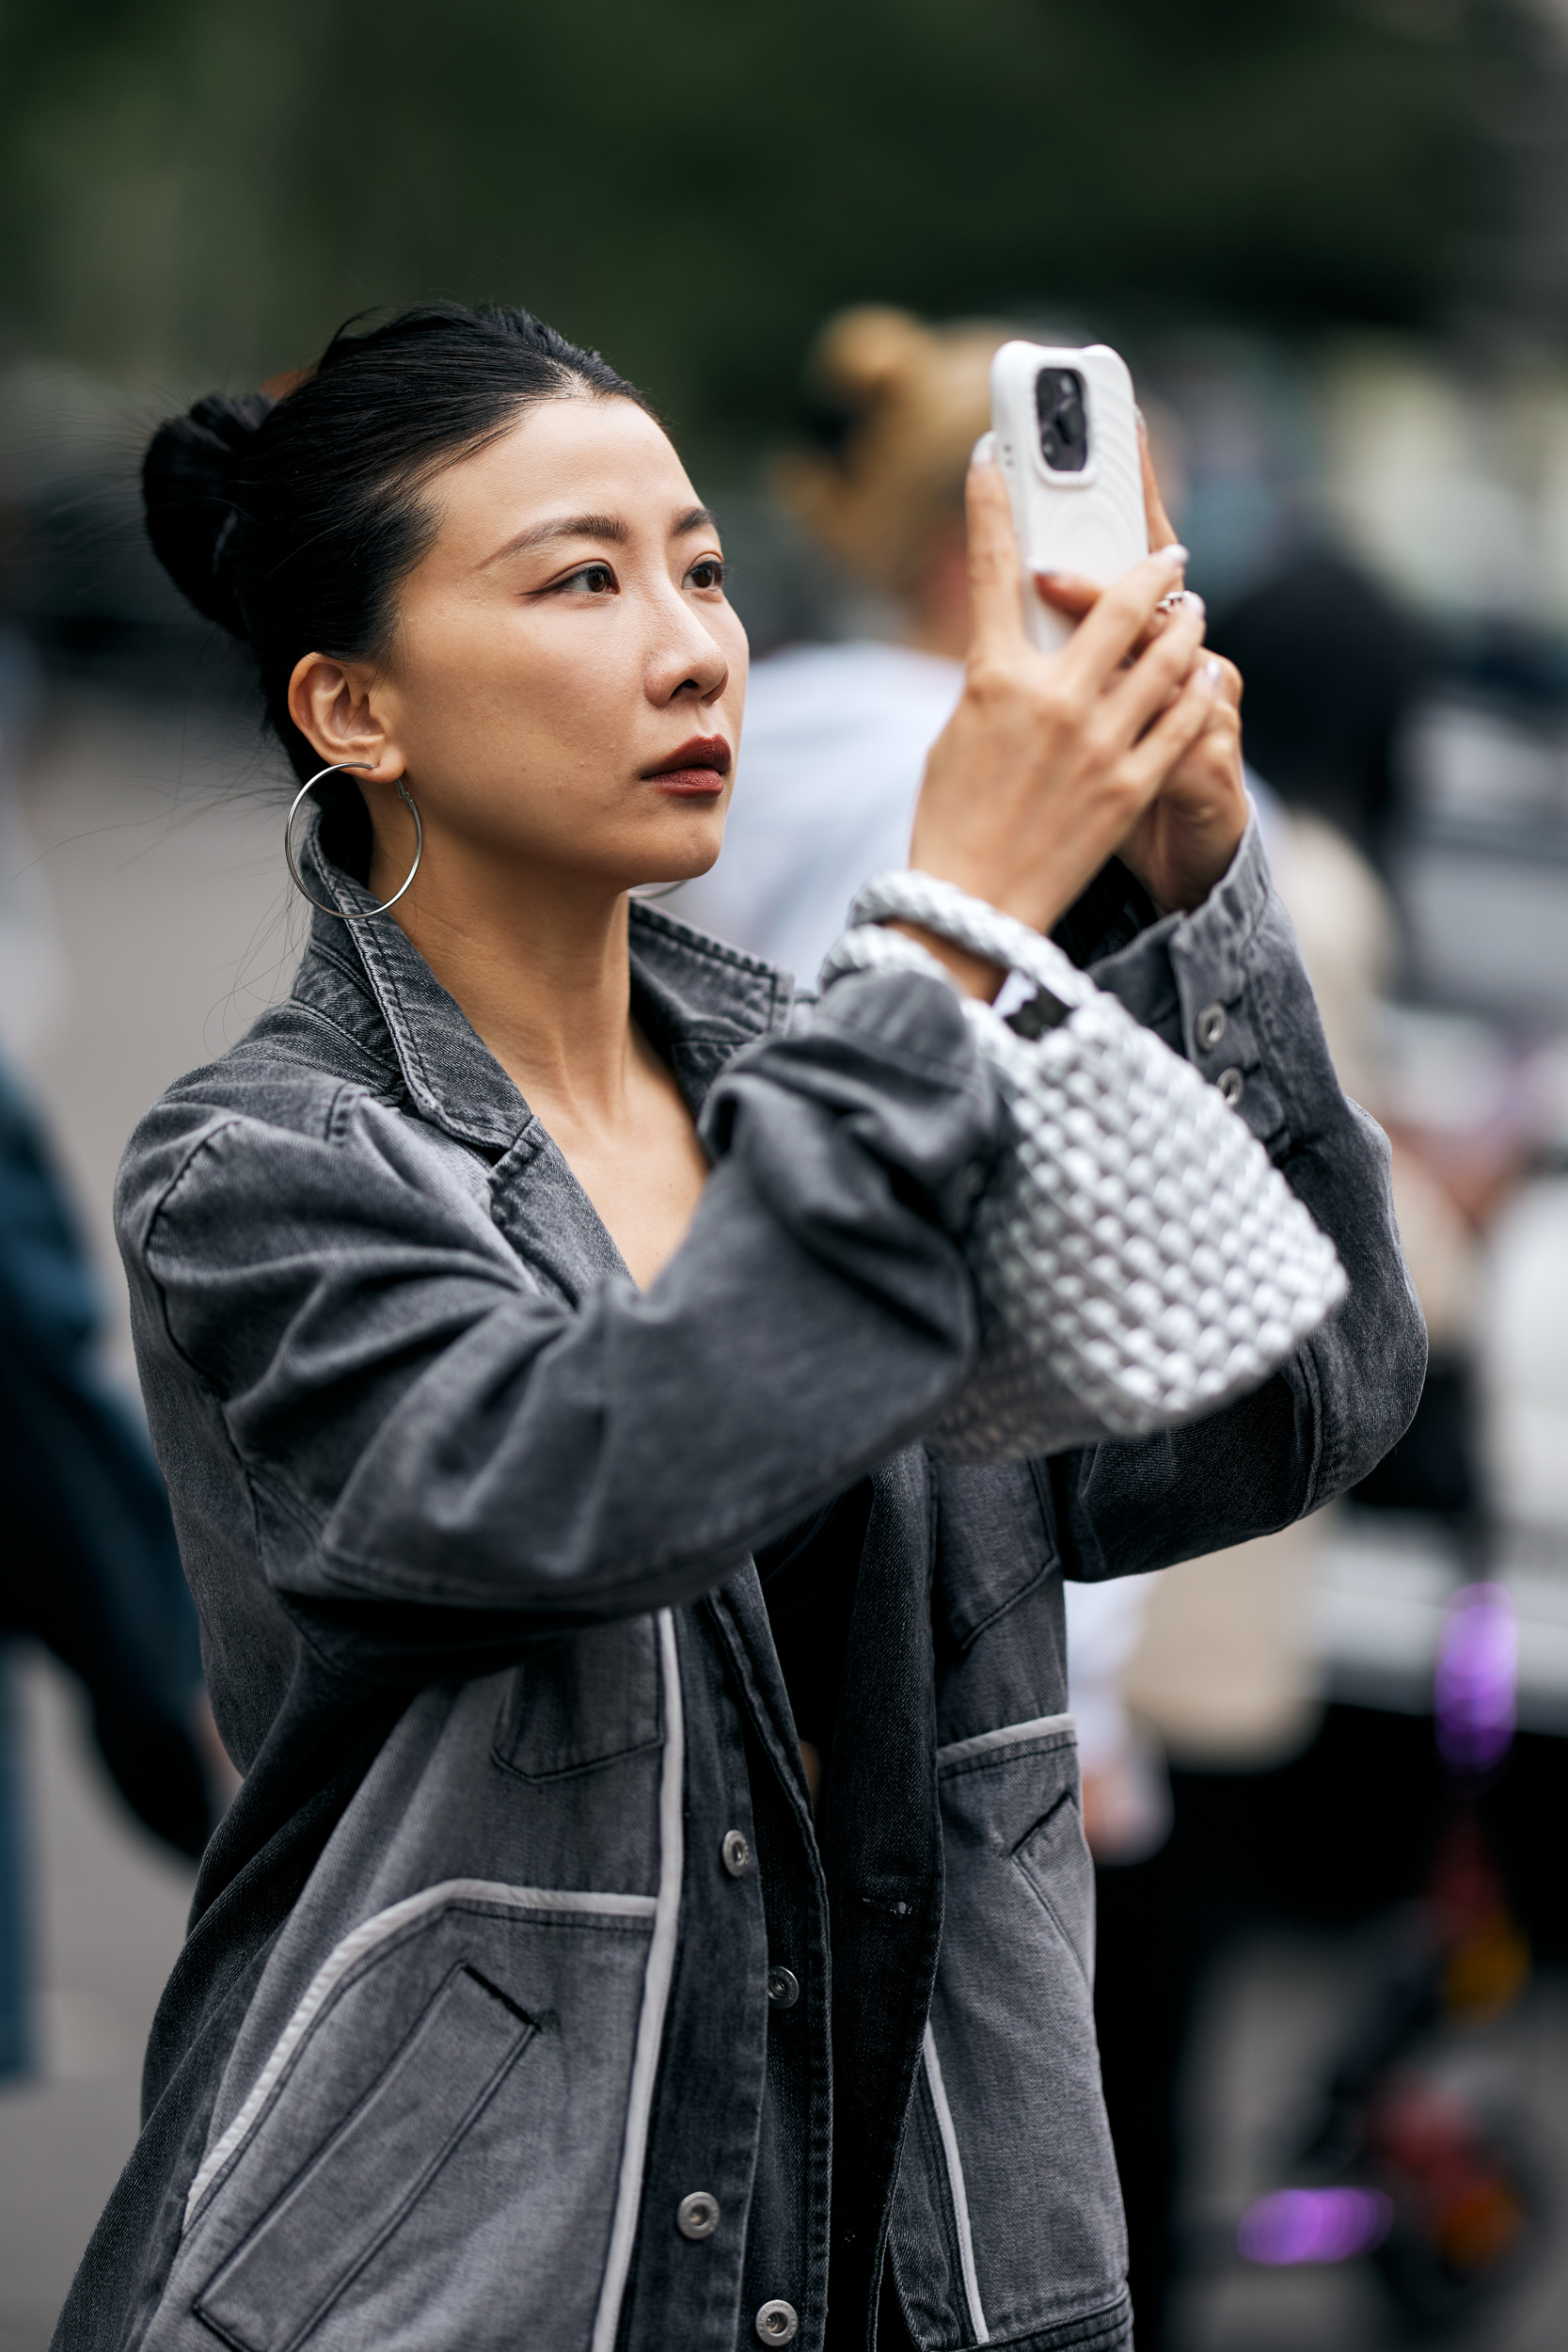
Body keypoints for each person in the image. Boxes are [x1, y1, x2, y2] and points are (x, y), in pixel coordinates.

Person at [55, 302, 1422, 2352]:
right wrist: (951, 921)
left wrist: (1192, 879)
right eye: (582, 579)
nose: (694, 643)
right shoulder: (263, 1169)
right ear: (355, 704)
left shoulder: (826, 1074)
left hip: (924, 2261)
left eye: (700, 564)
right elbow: (603, 1470)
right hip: (462, 2285)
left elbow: (1291, 1400)